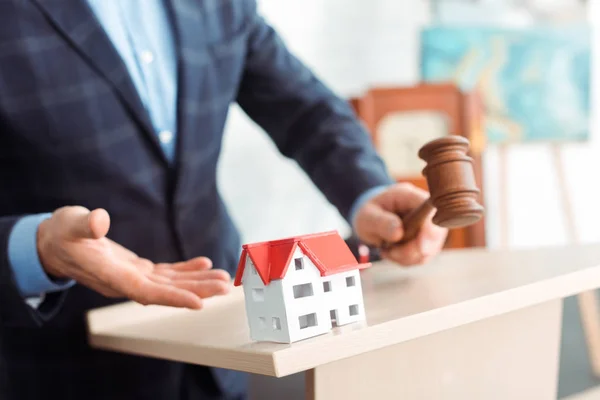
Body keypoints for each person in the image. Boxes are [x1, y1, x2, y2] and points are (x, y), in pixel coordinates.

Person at [0, 1, 447, 399]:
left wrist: (366, 191)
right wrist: (36, 249)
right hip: (63, 364)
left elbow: (305, 111)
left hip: (222, 351)